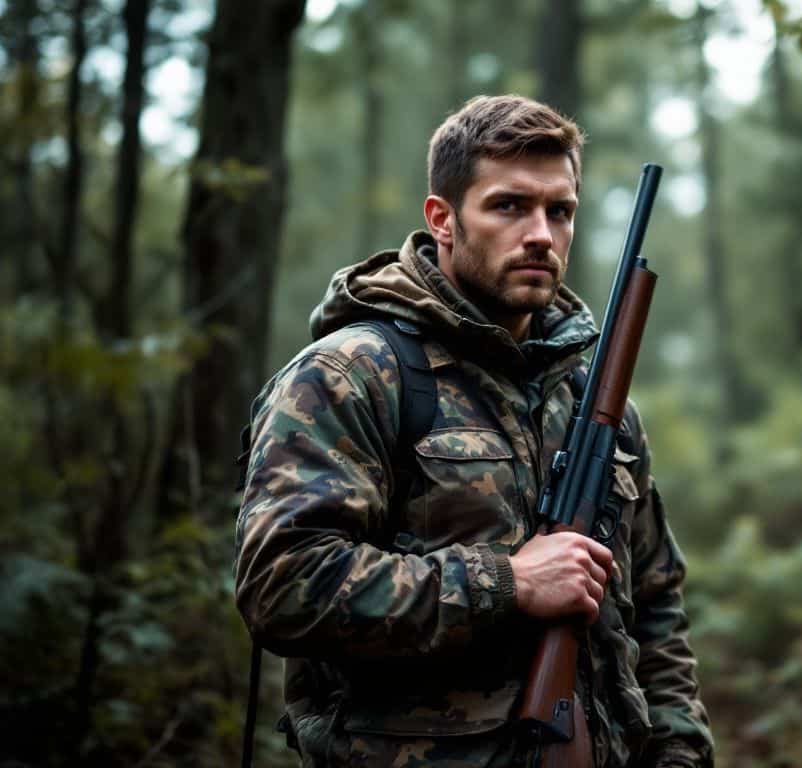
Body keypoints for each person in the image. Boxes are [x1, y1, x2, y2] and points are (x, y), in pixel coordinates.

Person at [234, 95, 713, 768]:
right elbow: (282, 585)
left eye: (560, 210)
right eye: (509, 205)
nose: (542, 233)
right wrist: (505, 583)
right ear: (444, 219)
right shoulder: (352, 375)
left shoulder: (594, 400)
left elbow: (656, 606)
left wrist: (680, 755)